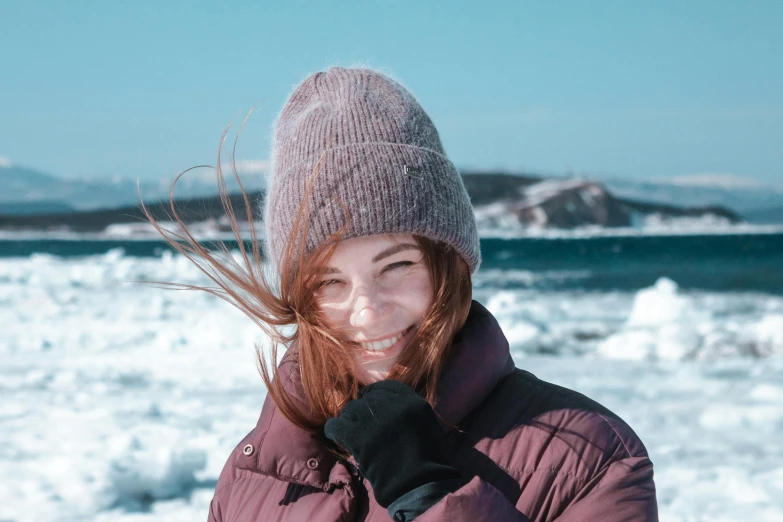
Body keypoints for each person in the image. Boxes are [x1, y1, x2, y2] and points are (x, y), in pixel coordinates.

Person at [145, 66, 658, 521]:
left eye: (396, 266)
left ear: (447, 266)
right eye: (329, 282)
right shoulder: (255, 473)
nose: (367, 312)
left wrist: (432, 498)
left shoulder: (590, 456)